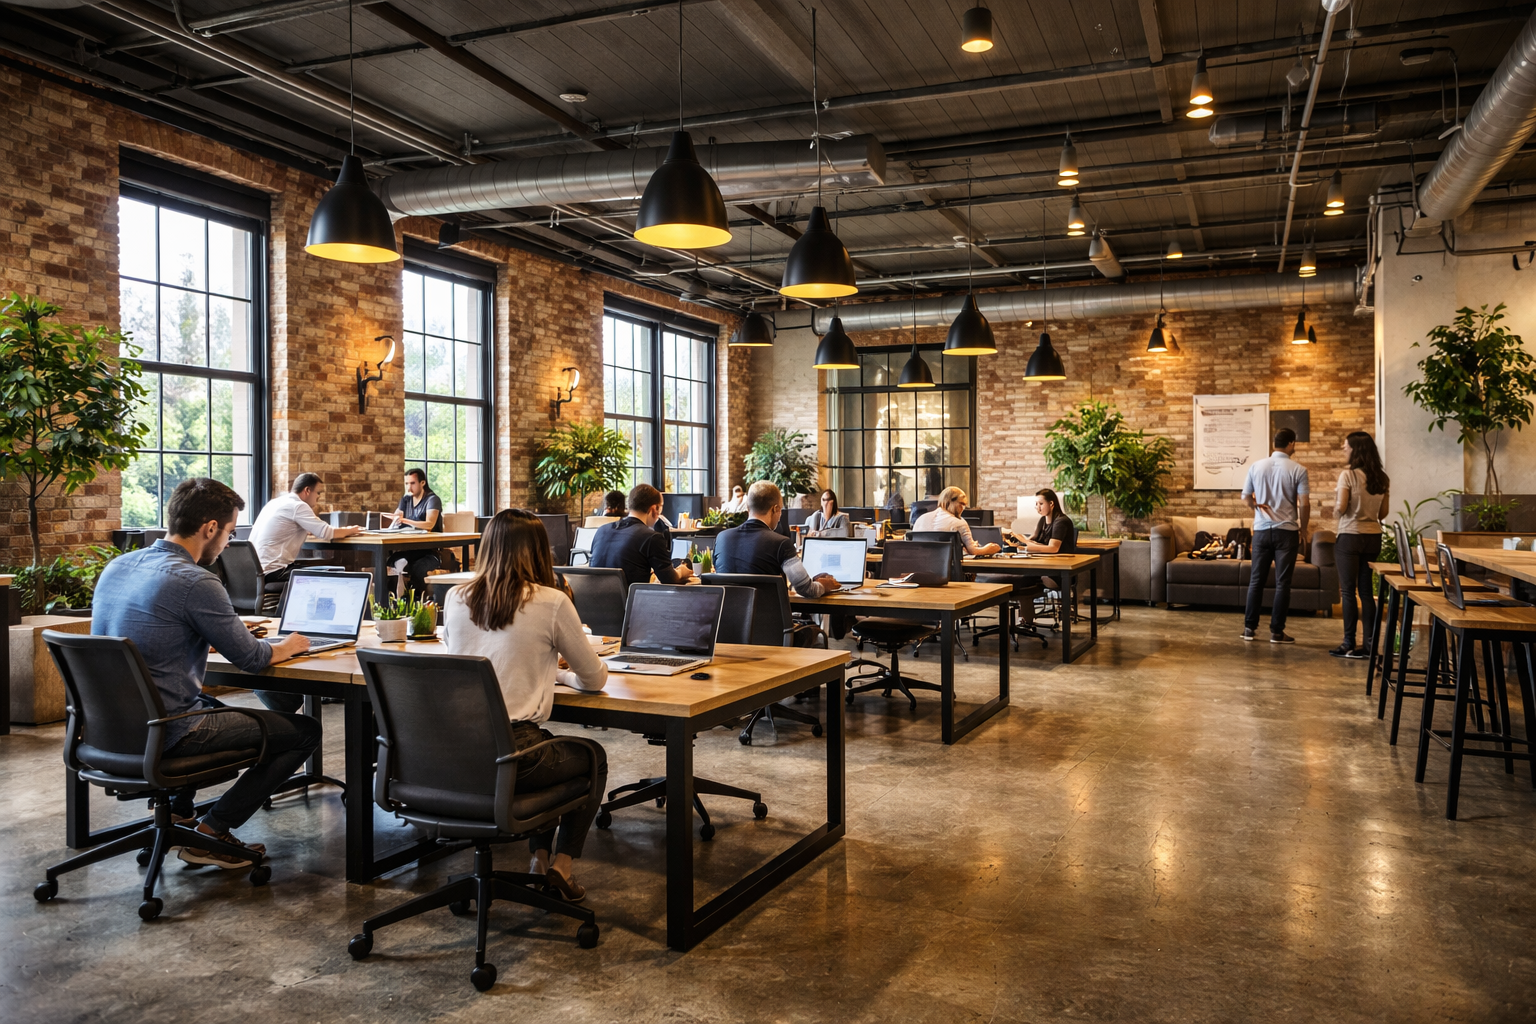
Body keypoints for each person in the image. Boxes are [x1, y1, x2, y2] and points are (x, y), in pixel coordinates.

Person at [91, 478, 319, 869]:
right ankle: (213, 832)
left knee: (208, 702)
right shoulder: (197, 580)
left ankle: (179, 813)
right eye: (230, 531)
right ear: (209, 528)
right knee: (305, 732)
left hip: (107, 730)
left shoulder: (119, 565)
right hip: (169, 730)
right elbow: (250, 659)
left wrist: (203, 635)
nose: (228, 543)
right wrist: (288, 646)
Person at [443, 509, 608, 901]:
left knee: (549, 745)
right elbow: (595, 679)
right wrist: (562, 676)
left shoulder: (454, 597)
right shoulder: (551, 602)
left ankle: (538, 859)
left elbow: (465, 667)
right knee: (592, 757)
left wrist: (542, 671)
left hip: (448, 754)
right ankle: (561, 867)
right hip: (515, 753)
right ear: (538, 551)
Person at [714, 481, 841, 611]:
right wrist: (825, 585)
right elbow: (807, 589)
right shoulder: (781, 543)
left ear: (748, 508)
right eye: (780, 510)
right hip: (769, 628)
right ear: (775, 509)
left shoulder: (722, 539)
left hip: (729, 627)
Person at [1241, 427, 1311, 644]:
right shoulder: (1299, 469)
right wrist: (1304, 528)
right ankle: (1276, 632)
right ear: (1290, 444)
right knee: (1283, 583)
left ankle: (1249, 630)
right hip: (1286, 532)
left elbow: (1245, 498)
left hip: (1261, 531)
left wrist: (1257, 508)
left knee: (1256, 581)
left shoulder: (1256, 466)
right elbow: (1304, 503)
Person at [1331, 431, 1390, 659]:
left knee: (1347, 591)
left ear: (1356, 450)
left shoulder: (1348, 476)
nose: (1344, 450)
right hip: (1373, 536)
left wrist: (1336, 507)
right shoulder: (1382, 478)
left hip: (1350, 536)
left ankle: (1348, 643)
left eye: (1346, 447)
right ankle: (1369, 645)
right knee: (1366, 592)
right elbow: (1383, 513)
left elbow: (1342, 508)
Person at [248, 472, 361, 579]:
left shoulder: (274, 503)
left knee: (320, 568)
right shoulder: (298, 506)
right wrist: (352, 530)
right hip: (274, 572)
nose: (319, 497)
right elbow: (328, 532)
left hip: (254, 573)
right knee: (333, 572)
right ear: (307, 490)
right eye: (318, 493)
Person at [588, 483, 694, 588]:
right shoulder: (651, 537)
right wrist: (681, 571)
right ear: (653, 509)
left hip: (594, 602)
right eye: (661, 508)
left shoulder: (602, 531)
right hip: (631, 602)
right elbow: (670, 580)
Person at [383, 468, 448, 595]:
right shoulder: (405, 500)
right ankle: (393, 601)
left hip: (429, 552)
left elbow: (429, 524)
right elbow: (398, 516)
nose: (409, 487)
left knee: (417, 568)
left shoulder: (432, 500)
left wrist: (405, 520)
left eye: (412, 483)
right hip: (409, 550)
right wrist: (395, 520)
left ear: (422, 483)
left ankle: (416, 603)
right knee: (389, 562)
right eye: (407, 483)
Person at [911, 485, 1001, 556]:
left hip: (921, 571)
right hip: (948, 572)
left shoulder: (920, 519)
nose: (963, 508)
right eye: (961, 504)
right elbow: (974, 551)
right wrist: (989, 548)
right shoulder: (959, 523)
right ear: (949, 501)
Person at [1020, 488, 1077, 555]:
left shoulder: (1061, 521)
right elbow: (1033, 539)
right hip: (1045, 559)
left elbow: (1053, 548)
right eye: (1036, 504)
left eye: (1041, 504)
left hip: (1062, 561)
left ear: (1051, 504)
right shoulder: (1043, 520)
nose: (1038, 508)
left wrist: (1027, 547)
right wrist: (1019, 541)